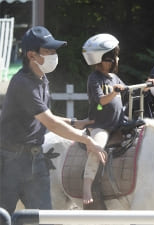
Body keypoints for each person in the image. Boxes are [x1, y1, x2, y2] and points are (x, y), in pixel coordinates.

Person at [0, 26, 106, 215]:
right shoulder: (23, 83)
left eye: (54, 51)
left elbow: (46, 116)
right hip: (10, 160)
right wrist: (87, 140)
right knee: (3, 216)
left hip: (36, 157)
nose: (54, 55)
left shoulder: (42, 78)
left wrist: (74, 122)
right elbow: (50, 123)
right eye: (48, 51)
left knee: (43, 216)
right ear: (32, 55)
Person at [81, 33, 126, 206]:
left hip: (118, 123)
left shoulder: (114, 78)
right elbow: (101, 100)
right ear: (101, 59)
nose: (115, 60)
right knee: (97, 147)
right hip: (101, 125)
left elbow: (127, 90)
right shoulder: (94, 79)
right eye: (112, 57)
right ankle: (87, 186)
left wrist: (145, 87)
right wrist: (114, 92)